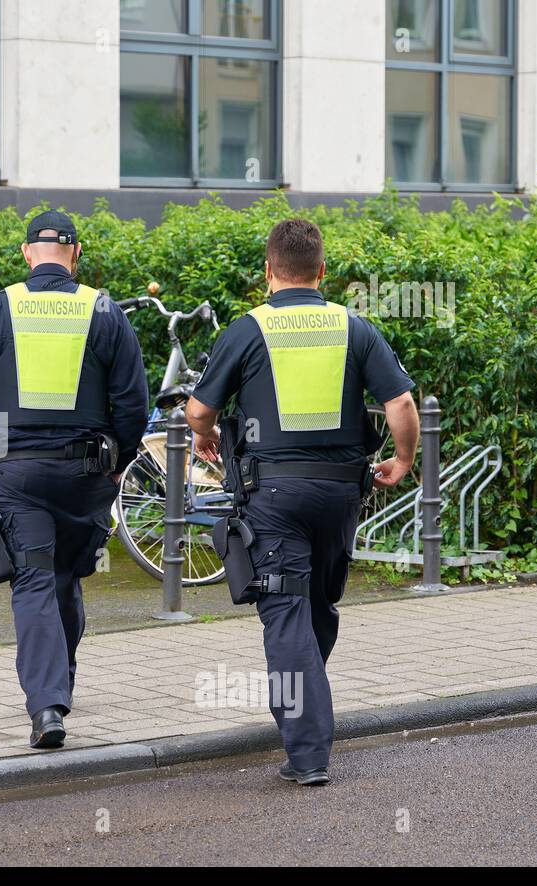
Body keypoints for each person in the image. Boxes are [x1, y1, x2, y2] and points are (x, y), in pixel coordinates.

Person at [186, 218, 420, 785]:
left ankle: (308, 752)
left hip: (273, 497)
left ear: (268, 272)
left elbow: (198, 410)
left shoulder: (247, 329)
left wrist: (204, 434)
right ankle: (302, 704)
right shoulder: (354, 327)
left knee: (287, 613)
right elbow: (403, 407)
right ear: (321, 271)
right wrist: (405, 460)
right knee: (317, 607)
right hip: (341, 494)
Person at [0, 210, 148, 748]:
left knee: (35, 580)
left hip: (17, 473)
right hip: (86, 474)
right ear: (76, 254)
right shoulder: (105, 310)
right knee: (64, 578)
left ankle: (47, 707)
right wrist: (118, 463)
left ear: (25, 255)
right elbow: (133, 403)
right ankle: (57, 688)